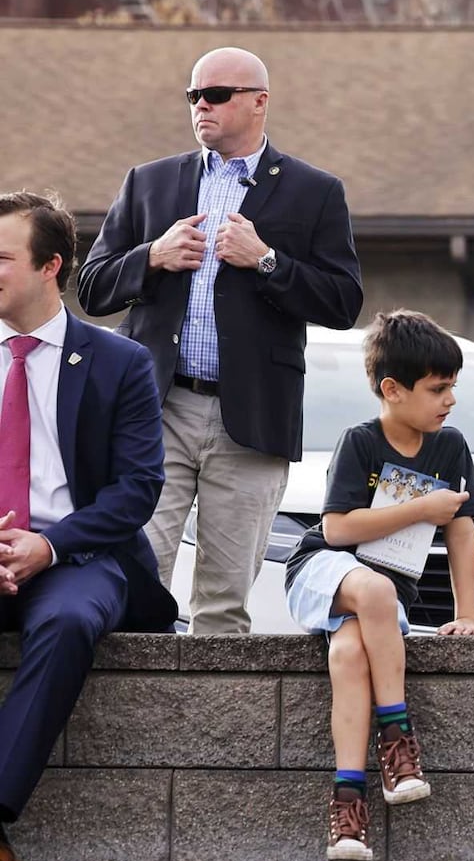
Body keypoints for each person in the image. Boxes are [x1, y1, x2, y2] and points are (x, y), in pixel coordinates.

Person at [78, 47, 363, 636]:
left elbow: (343, 302)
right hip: (157, 410)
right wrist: (151, 257)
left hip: (252, 416)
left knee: (225, 600)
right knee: (133, 577)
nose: (201, 106)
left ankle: (208, 727)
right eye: (193, 96)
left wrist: (267, 262)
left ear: (259, 102)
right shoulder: (149, 181)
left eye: (216, 95)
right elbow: (91, 286)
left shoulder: (314, 191)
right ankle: (132, 724)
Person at [0, 191, 178, 861]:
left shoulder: (118, 362)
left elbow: (138, 489)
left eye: (1, 258)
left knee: (71, 621)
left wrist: (47, 547)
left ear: (50, 266)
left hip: (78, 555)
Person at [281, 310, 474, 861]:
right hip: (323, 571)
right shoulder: (361, 442)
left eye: (452, 387)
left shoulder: (450, 447)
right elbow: (336, 528)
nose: (449, 400)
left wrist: (468, 613)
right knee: (374, 591)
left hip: (379, 596)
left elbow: (463, 530)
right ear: (391, 390)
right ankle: (398, 738)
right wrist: (423, 507)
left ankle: (348, 808)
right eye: (438, 388)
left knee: (349, 655)